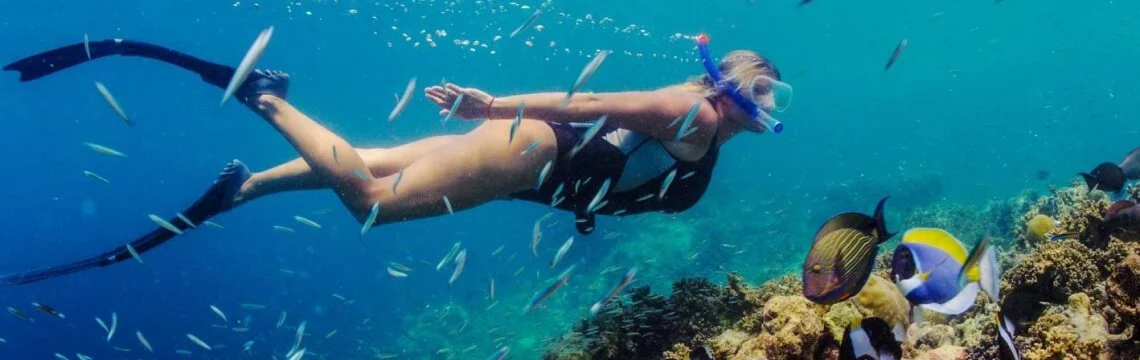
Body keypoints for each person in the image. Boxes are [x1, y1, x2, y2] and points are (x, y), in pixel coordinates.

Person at [0, 35, 791, 286]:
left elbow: (628, 167)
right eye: (760, 101)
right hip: (532, 149)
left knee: (373, 163)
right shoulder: (682, 109)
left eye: (769, 108)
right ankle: (267, 96)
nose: (764, 118)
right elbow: (589, 106)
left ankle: (247, 187)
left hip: (533, 171)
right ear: (730, 95)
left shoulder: (708, 132)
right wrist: (495, 107)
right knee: (374, 200)